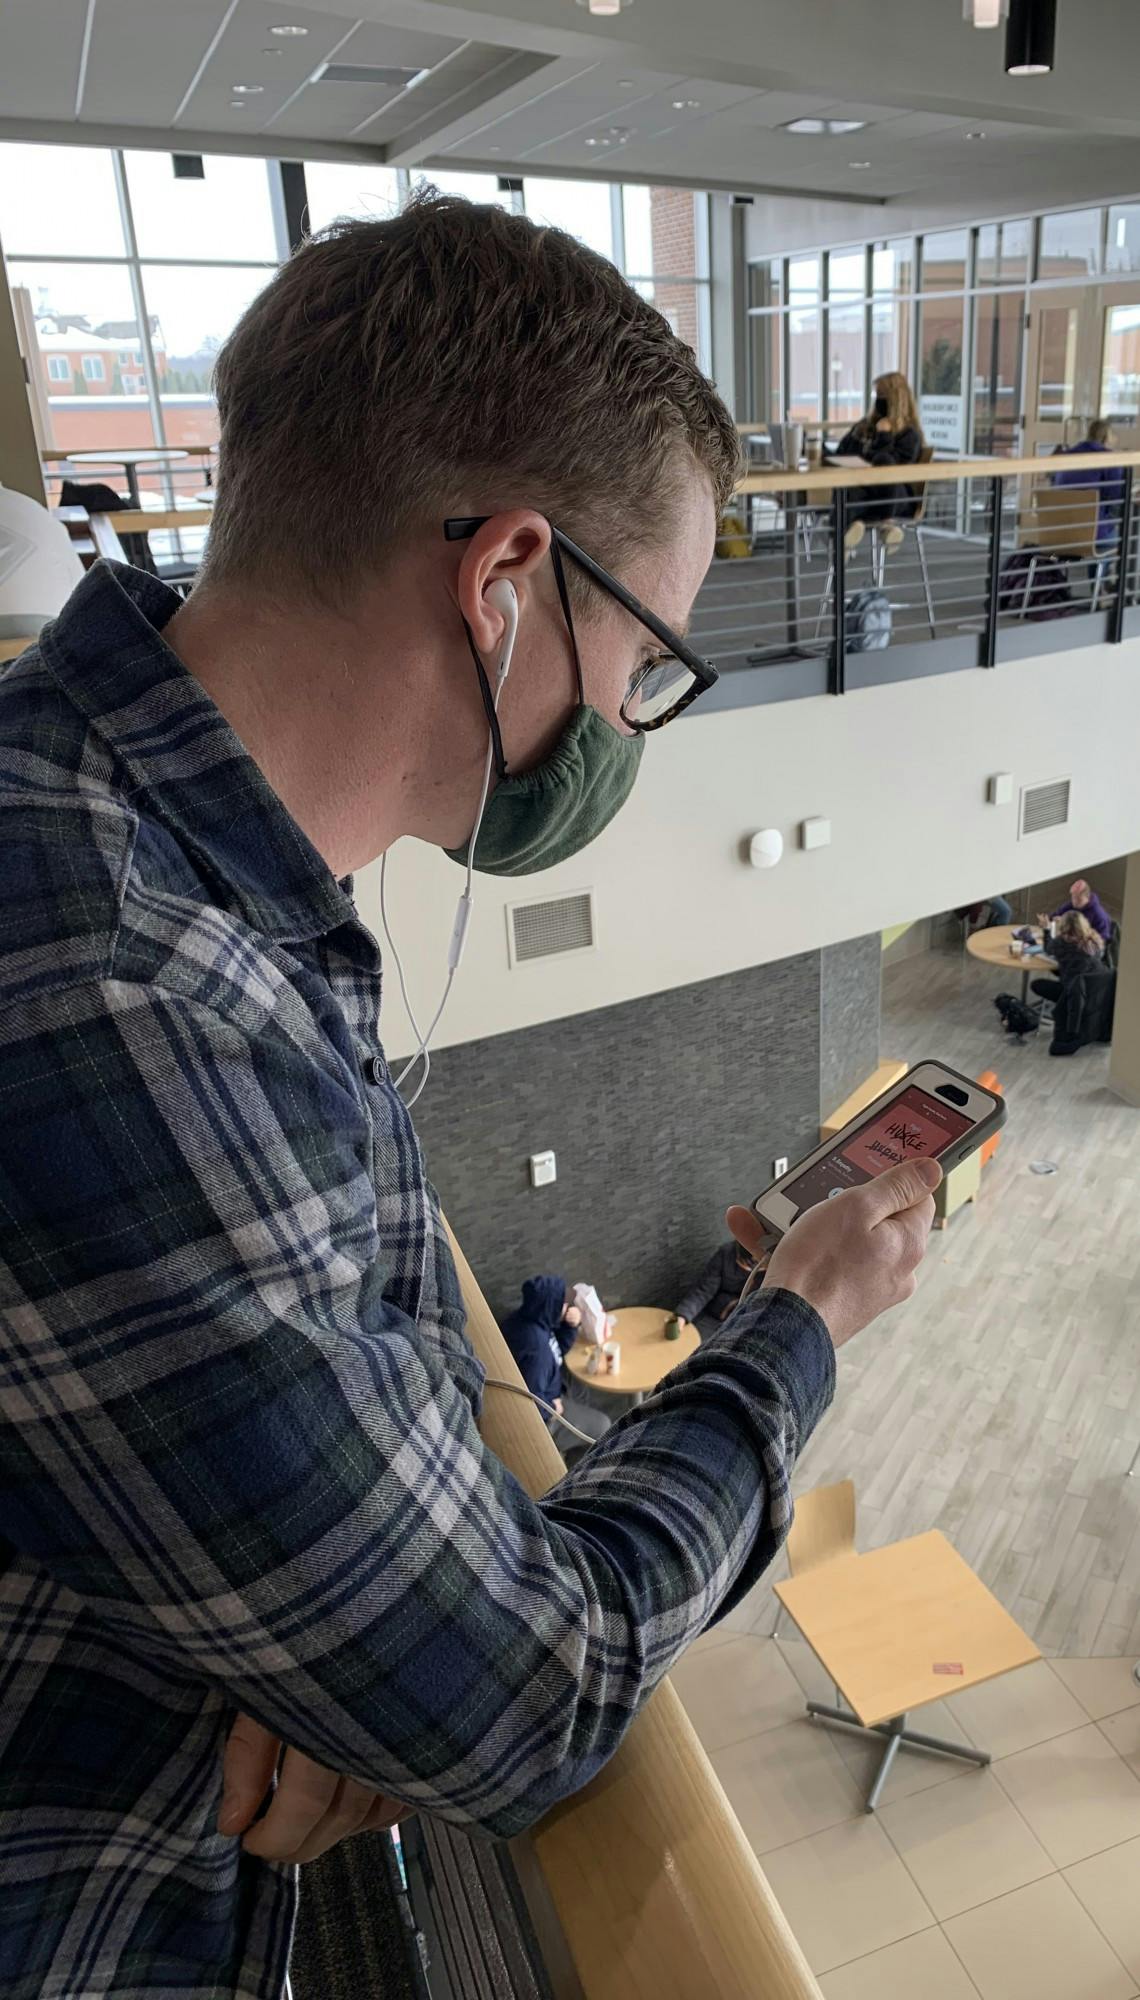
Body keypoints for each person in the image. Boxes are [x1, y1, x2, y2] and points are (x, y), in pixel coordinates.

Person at [0, 192, 942, 2000]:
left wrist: (345, 1656)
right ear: (504, 582)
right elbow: (526, 1694)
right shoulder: (125, 988)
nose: (631, 725)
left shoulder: (136, 839)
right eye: (648, 658)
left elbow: (393, 1533)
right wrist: (802, 1316)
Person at [499, 1274, 611, 1463]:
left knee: (581, 1393)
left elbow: (557, 1350)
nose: (568, 1306)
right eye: (564, 1303)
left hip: (552, 1385)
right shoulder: (536, 1352)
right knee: (602, 1427)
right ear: (550, 1307)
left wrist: (570, 1326)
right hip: (545, 1416)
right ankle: (575, 1471)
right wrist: (551, 1407)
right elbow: (532, 1402)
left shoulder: (528, 1320)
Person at [831, 371, 925, 552]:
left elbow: (890, 467)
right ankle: (865, 530)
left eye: (883, 395)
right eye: (877, 395)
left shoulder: (909, 435)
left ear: (896, 399)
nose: (878, 401)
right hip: (865, 491)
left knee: (883, 461)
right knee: (846, 493)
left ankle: (872, 526)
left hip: (896, 497)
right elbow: (843, 451)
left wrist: (884, 435)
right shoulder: (865, 426)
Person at [1031, 909, 1112, 1056]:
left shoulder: (1061, 943)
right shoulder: (1095, 941)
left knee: (1036, 985)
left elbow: (1048, 949)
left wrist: (1047, 929)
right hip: (1094, 988)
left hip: (1074, 990)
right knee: (1057, 971)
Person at [676, 1236, 772, 1337]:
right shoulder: (727, 1253)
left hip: (746, 1323)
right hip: (716, 1314)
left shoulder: (774, 1267)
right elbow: (704, 1290)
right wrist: (682, 1316)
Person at [1050, 419, 1124, 548]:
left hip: (1060, 530)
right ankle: (1101, 568)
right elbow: (1117, 493)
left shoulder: (1067, 455)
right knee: (1121, 534)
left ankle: (1098, 567)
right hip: (1092, 532)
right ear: (1107, 436)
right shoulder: (1108, 458)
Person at [1038, 878, 1112, 942]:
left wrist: (1066, 923)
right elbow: (1054, 916)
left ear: (1087, 896)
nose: (1074, 902)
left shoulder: (1099, 914)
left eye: (1078, 899)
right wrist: (1047, 923)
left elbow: (1102, 940)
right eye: (1073, 897)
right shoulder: (1071, 905)